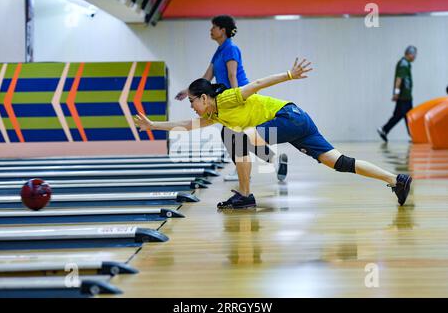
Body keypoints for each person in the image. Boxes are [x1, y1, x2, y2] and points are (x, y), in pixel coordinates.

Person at [135, 58, 412, 209]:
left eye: (193, 102)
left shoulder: (229, 98)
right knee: (339, 163)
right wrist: (153, 126)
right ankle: (396, 180)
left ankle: (246, 193)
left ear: (205, 98)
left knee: (235, 138)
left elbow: (256, 84)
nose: (193, 108)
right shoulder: (215, 114)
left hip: (288, 117)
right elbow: (186, 126)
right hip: (298, 124)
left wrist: (289, 75)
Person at [175, 14, 287, 182]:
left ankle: (246, 170)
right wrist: (188, 91)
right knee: (238, 136)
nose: (210, 30)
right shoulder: (219, 51)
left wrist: (238, 100)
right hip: (227, 99)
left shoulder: (231, 48)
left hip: (239, 97)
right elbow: (207, 77)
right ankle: (272, 162)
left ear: (222, 30)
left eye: (213, 27)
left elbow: (232, 74)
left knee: (233, 135)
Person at [377, 46, 417, 142]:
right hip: (403, 97)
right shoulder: (403, 64)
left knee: (405, 116)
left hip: (406, 96)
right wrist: (396, 93)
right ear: (410, 54)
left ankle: (385, 130)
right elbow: (399, 79)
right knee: (405, 116)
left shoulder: (406, 64)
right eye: (414, 54)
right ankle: (385, 129)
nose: (415, 57)